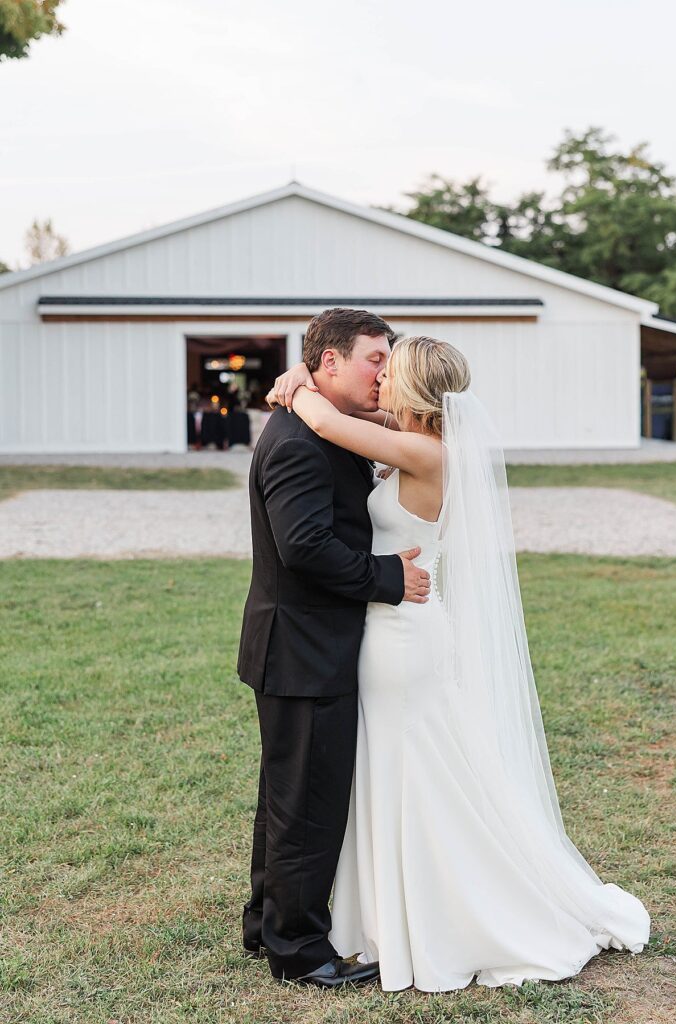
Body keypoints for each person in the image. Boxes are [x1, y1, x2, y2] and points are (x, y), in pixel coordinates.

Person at [267, 335, 650, 992]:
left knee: (410, 775)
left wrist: (294, 382)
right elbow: (360, 422)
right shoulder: (418, 438)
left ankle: (440, 918)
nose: (379, 381)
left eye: (391, 373)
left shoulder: (422, 451)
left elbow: (328, 421)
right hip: (405, 623)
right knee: (406, 772)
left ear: (414, 389)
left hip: (401, 636)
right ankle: (399, 915)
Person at [236, 309, 431, 988]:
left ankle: (267, 925)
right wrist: (388, 578)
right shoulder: (297, 441)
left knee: (287, 798)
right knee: (307, 806)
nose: (386, 370)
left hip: (301, 644)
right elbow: (305, 547)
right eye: (374, 359)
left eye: (389, 358)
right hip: (303, 647)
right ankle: (300, 953)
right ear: (329, 364)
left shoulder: (320, 421)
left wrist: (298, 382)